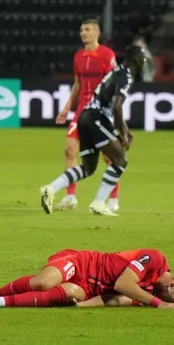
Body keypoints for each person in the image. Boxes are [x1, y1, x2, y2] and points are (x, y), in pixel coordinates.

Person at [41, 45, 145, 216]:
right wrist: (123, 132)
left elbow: (114, 104)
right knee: (120, 160)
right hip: (96, 118)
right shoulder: (126, 76)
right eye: (143, 58)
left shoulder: (118, 70)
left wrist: (124, 129)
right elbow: (117, 106)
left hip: (85, 117)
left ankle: (50, 189)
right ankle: (98, 203)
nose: (144, 62)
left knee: (88, 168)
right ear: (136, 59)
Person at [0, 247, 174, 309]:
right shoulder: (155, 259)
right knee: (44, 282)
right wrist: (160, 304)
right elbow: (122, 285)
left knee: (71, 293)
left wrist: (82, 306)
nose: (161, 296)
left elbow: (112, 299)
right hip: (80, 263)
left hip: (88, 288)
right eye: (168, 294)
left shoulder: (146, 296)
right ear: (173, 283)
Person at [54, 19, 119, 212]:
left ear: (97, 33)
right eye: (82, 30)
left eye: (87, 29)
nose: (83, 33)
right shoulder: (78, 57)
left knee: (109, 157)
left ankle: (113, 199)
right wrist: (66, 108)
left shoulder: (107, 55)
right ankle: (70, 196)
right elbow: (77, 84)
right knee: (69, 150)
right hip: (82, 111)